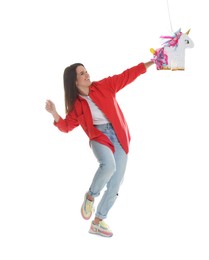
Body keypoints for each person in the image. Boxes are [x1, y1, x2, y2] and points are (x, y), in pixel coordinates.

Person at [45, 60, 154, 237]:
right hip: (99, 136)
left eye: (86, 71)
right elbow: (65, 127)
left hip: (119, 135)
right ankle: (90, 196)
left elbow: (127, 75)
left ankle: (98, 222)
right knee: (109, 166)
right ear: (74, 81)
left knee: (115, 183)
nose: (87, 74)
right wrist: (54, 113)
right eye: (81, 73)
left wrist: (151, 62)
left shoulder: (105, 85)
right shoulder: (76, 107)